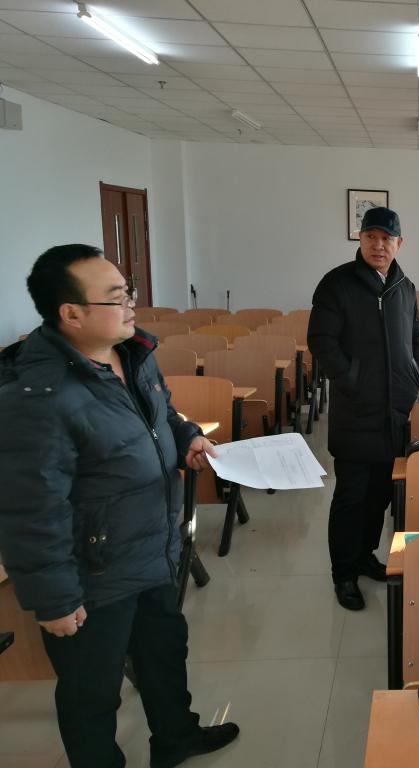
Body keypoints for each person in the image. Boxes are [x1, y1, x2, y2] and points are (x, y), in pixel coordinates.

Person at [0, 244, 238, 768]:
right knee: (92, 691)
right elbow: (30, 508)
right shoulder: (38, 395)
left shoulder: (132, 353)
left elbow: (162, 415)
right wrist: (55, 598)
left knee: (163, 654)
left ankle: (176, 737)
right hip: (94, 570)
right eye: (116, 297)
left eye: (128, 291)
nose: (131, 304)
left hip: (152, 544)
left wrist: (188, 438)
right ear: (71, 313)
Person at [308, 207, 419, 611]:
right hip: (356, 412)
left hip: (395, 412)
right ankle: (343, 573)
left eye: (386, 238)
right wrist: (352, 380)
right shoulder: (337, 283)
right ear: (359, 239)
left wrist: (416, 374)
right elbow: (321, 341)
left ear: (399, 243)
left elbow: (415, 336)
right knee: (352, 496)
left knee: (380, 494)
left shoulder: (405, 287)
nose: (379, 245)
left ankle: (364, 556)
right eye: (371, 237)